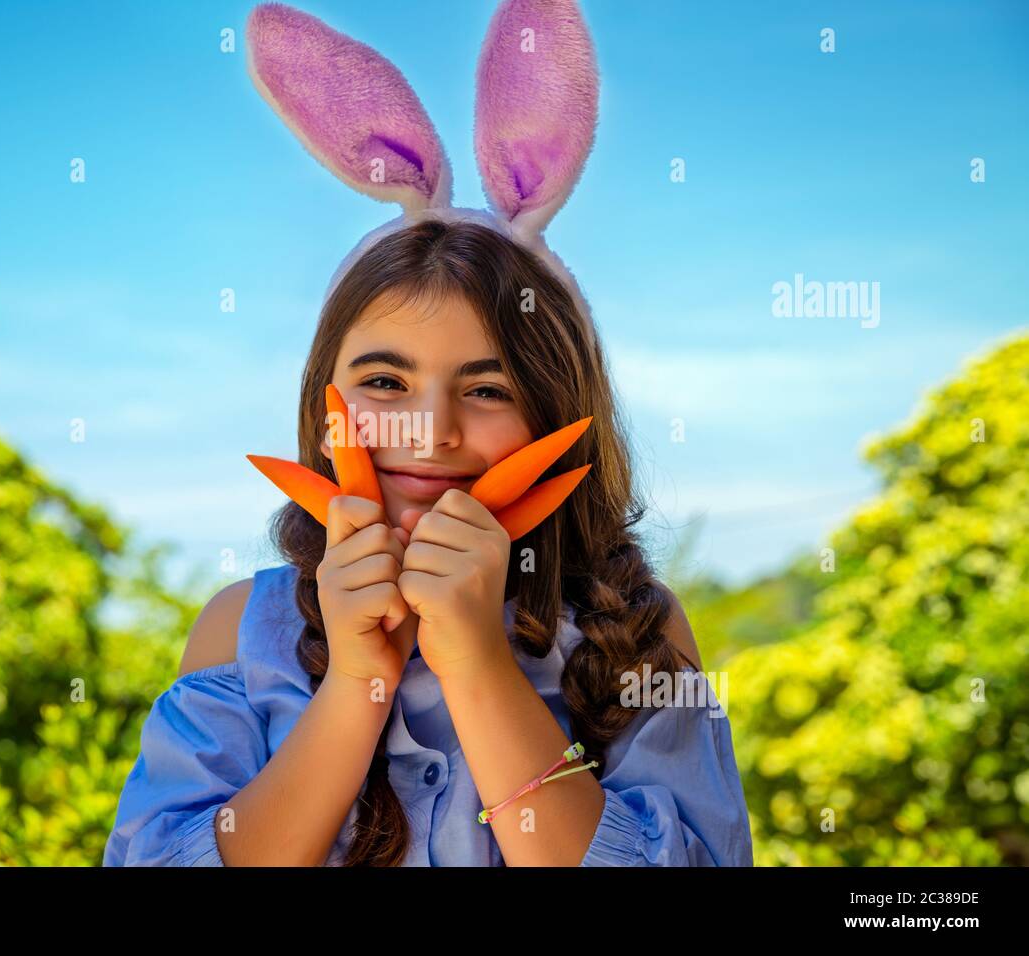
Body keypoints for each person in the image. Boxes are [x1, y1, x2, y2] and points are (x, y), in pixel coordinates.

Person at [104, 0, 753, 867]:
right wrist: (357, 685)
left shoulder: (634, 631)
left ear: (558, 415)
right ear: (322, 404)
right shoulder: (239, 630)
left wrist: (480, 661)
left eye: (487, 388)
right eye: (383, 382)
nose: (431, 430)